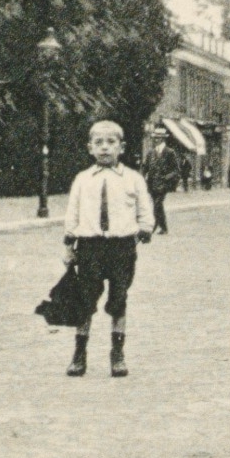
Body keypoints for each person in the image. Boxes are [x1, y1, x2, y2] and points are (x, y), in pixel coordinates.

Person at [60, 120, 155, 377]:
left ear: (121, 147)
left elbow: (145, 210)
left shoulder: (133, 179)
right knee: (85, 299)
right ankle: (79, 354)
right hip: (89, 247)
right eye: (98, 143)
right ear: (90, 148)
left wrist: (144, 229)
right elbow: (72, 215)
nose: (104, 148)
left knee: (119, 299)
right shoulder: (82, 180)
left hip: (121, 247)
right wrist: (69, 246)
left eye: (111, 142)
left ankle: (117, 353)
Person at [141, 125, 186, 236]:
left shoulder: (170, 152)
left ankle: (154, 226)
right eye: (155, 137)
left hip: (163, 184)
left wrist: (166, 178)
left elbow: (176, 170)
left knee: (157, 204)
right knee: (157, 205)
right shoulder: (151, 152)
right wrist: (141, 177)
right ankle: (163, 227)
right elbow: (145, 167)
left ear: (162, 139)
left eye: (158, 137)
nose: (155, 139)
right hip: (152, 184)